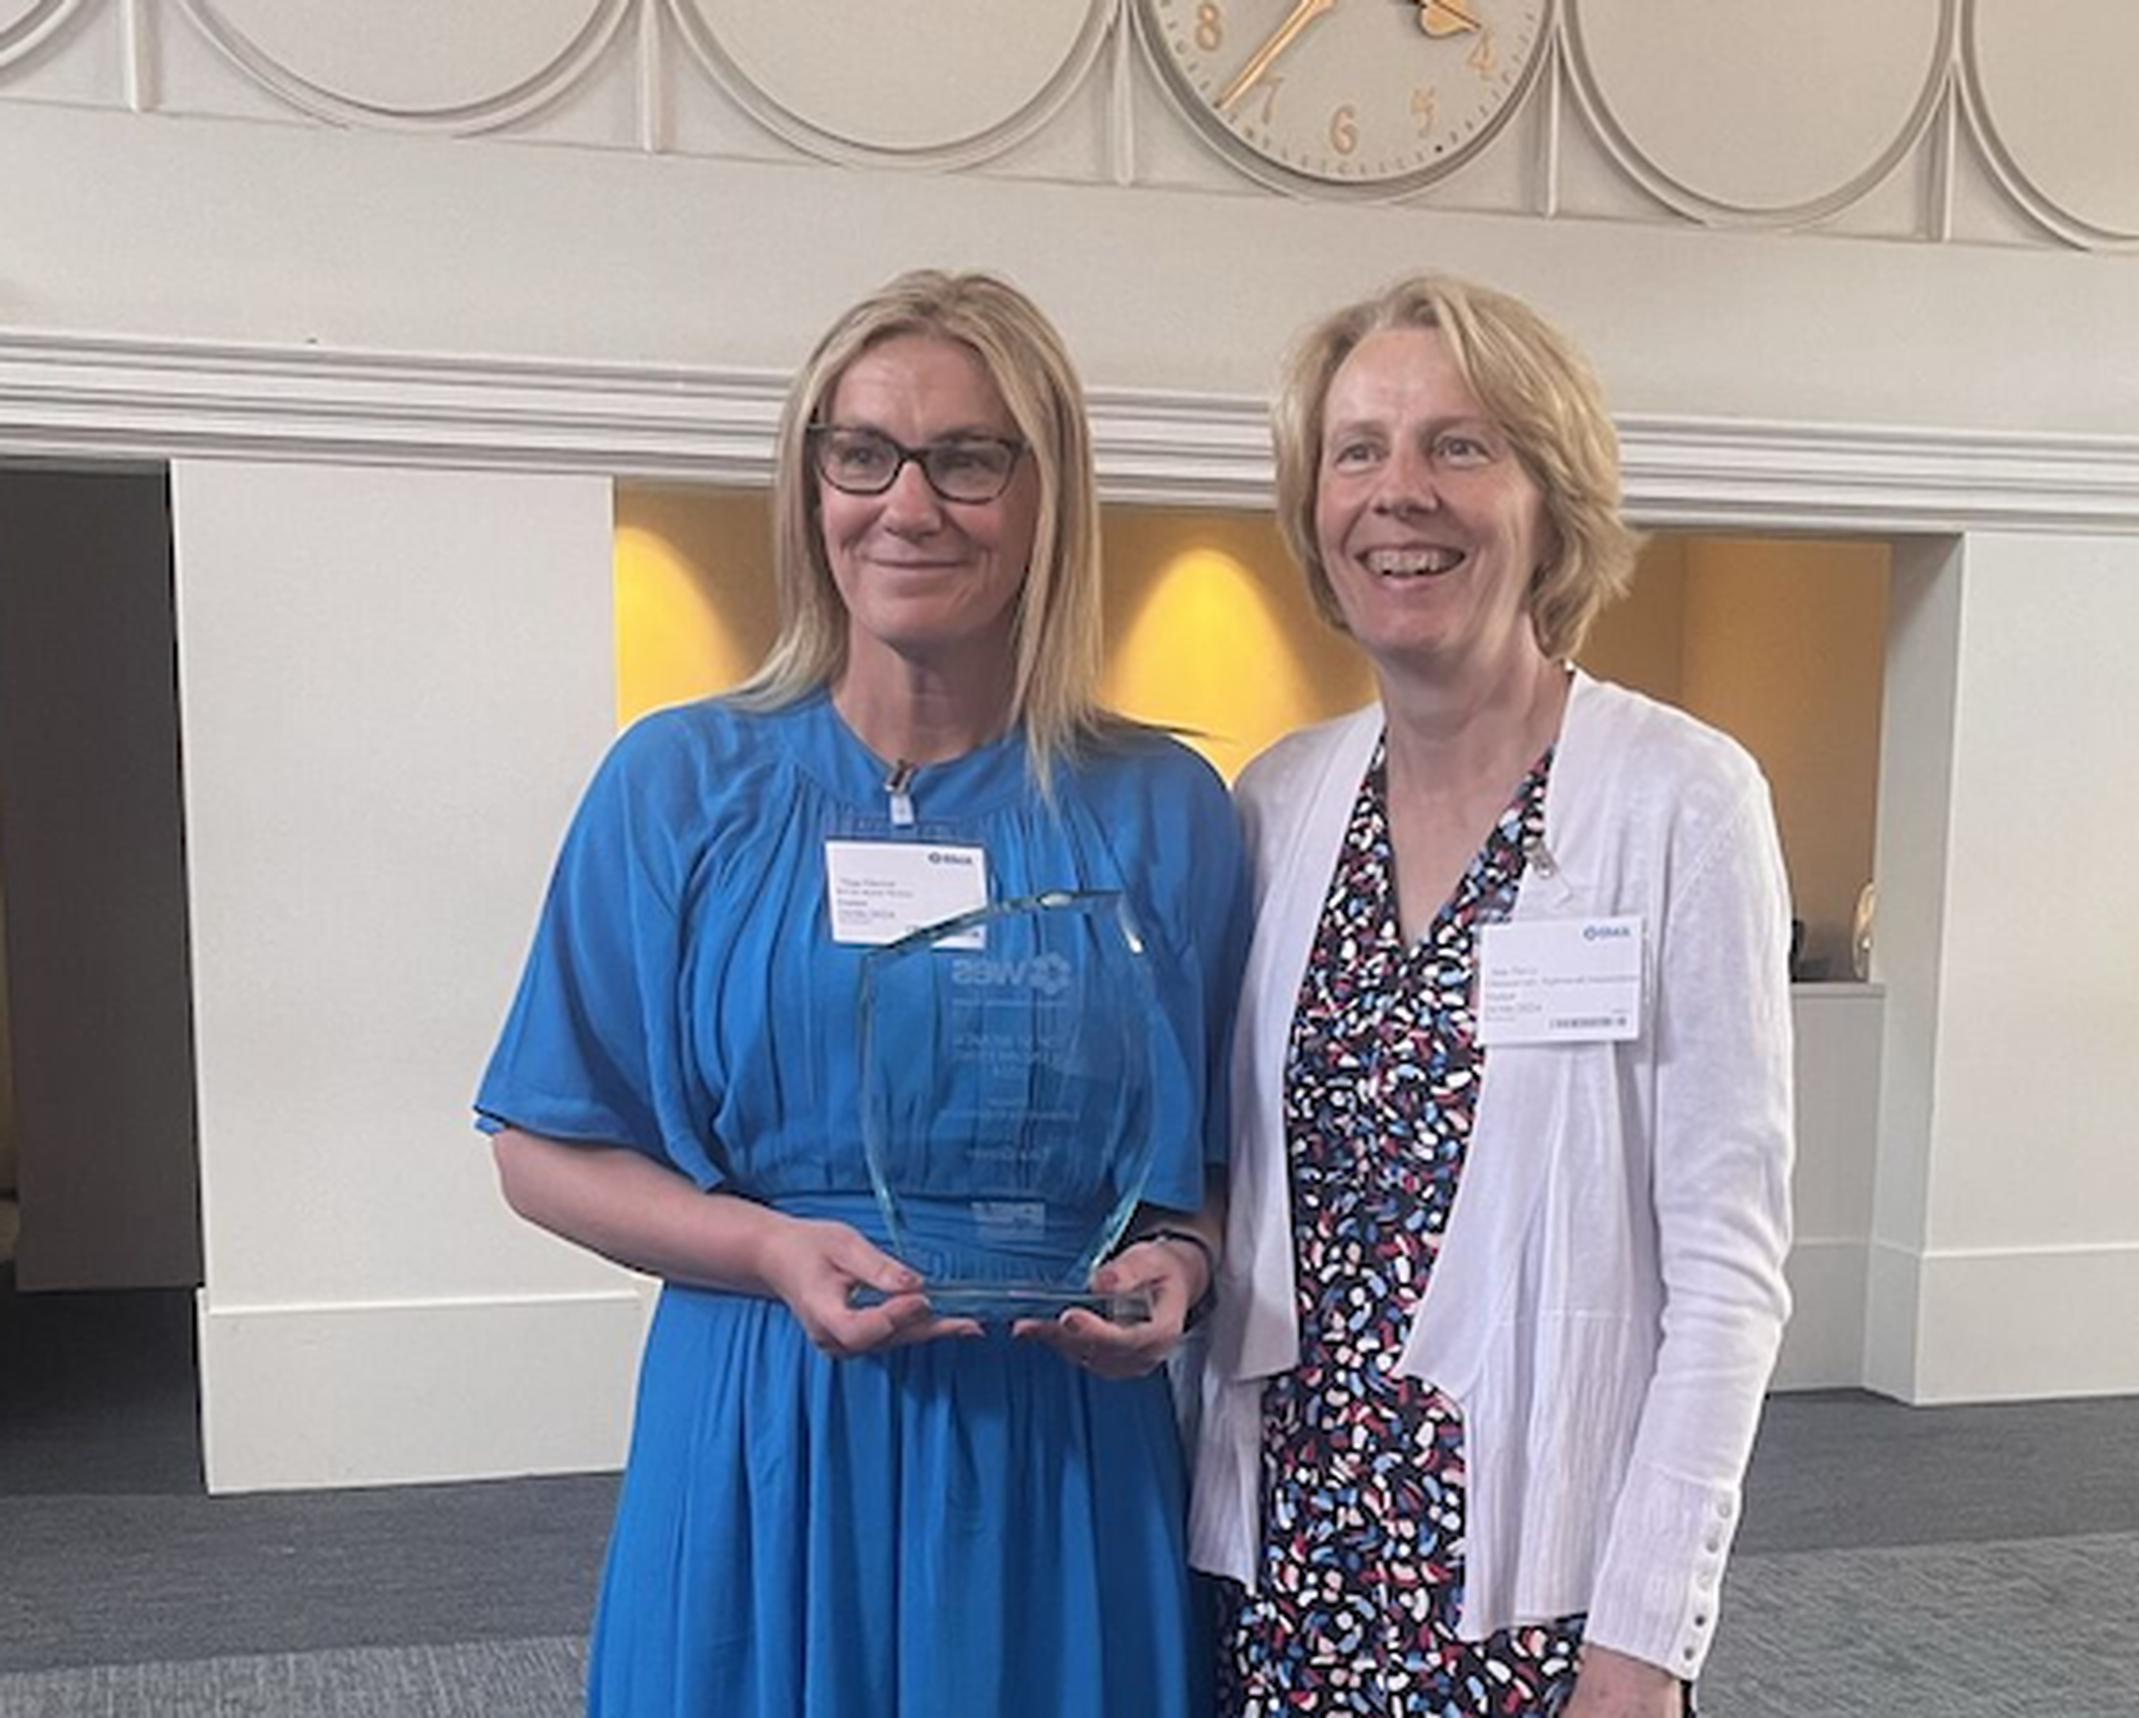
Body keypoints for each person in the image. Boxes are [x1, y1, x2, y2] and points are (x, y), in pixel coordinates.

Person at [476, 270, 1245, 1718]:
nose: (909, 503)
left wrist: (1184, 1268)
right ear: (811, 477)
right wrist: (765, 1247)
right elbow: (540, 1144)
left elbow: (1195, 1166)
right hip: (767, 1418)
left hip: (1056, 1444)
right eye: (864, 452)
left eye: (968, 457)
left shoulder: (1164, 812)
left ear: (1045, 493)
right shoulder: (677, 786)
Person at [1192, 275, 1794, 1718]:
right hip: (1278, 1585)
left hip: (1534, 1606)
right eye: (1358, 451)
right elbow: (1245, 1185)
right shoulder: (1276, 803)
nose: (1400, 494)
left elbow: (1727, 1271)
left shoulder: (1681, 801)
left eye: (1461, 446)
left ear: (1551, 498)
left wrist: (1644, 1649)